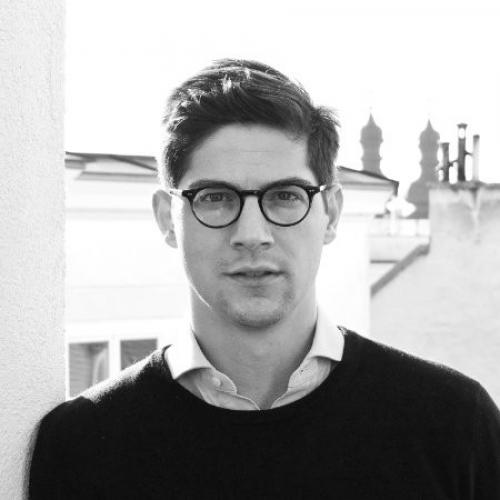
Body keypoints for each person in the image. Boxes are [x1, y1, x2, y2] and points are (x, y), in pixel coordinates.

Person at [29, 59, 500, 499]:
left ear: (332, 212)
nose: (252, 234)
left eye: (285, 196)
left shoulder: (455, 425)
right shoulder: (79, 445)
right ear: (167, 219)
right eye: (215, 198)